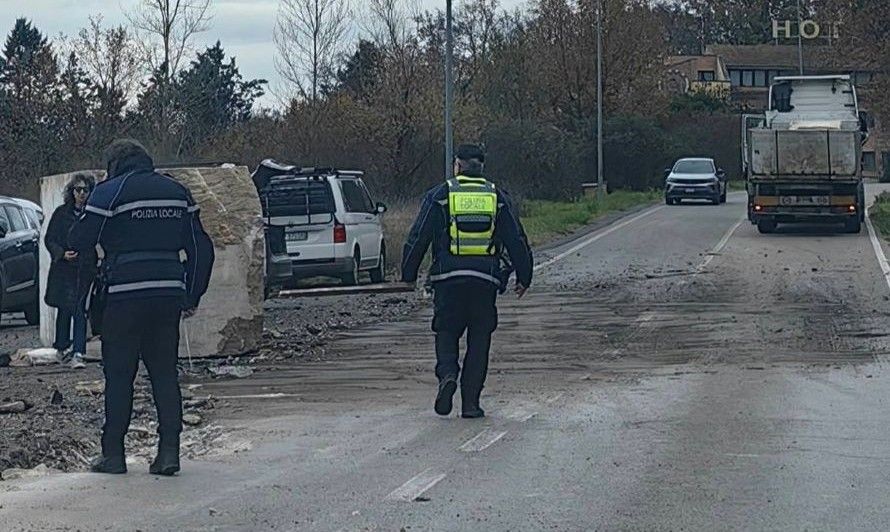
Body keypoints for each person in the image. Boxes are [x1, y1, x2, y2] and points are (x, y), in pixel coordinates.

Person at [69, 139, 215, 475]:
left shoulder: (109, 192)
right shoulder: (178, 193)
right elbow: (200, 248)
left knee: (119, 375)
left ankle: (113, 454)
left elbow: (80, 239)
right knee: (164, 373)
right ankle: (168, 454)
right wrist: (191, 294)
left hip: (123, 294)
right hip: (167, 295)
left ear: (114, 164)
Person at [401, 144, 533, 418]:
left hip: (447, 280)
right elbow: (516, 239)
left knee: (446, 331)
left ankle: (448, 374)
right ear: (481, 167)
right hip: (485, 281)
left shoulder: (440, 195)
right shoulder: (497, 197)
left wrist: (408, 275)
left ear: (457, 166)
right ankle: (471, 404)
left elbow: (419, 236)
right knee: (480, 339)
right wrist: (524, 275)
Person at [44, 174, 97, 369]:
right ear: (72, 192)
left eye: (85, 190)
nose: (81, 194)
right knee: (64, 308)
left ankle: (79, 352)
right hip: (64, 268)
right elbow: (49, 238)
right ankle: (63, 346)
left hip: (84, 268)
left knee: (79, 308)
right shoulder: (61, 213)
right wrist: (61, 253)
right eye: (78, 190)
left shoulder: (92, 214)